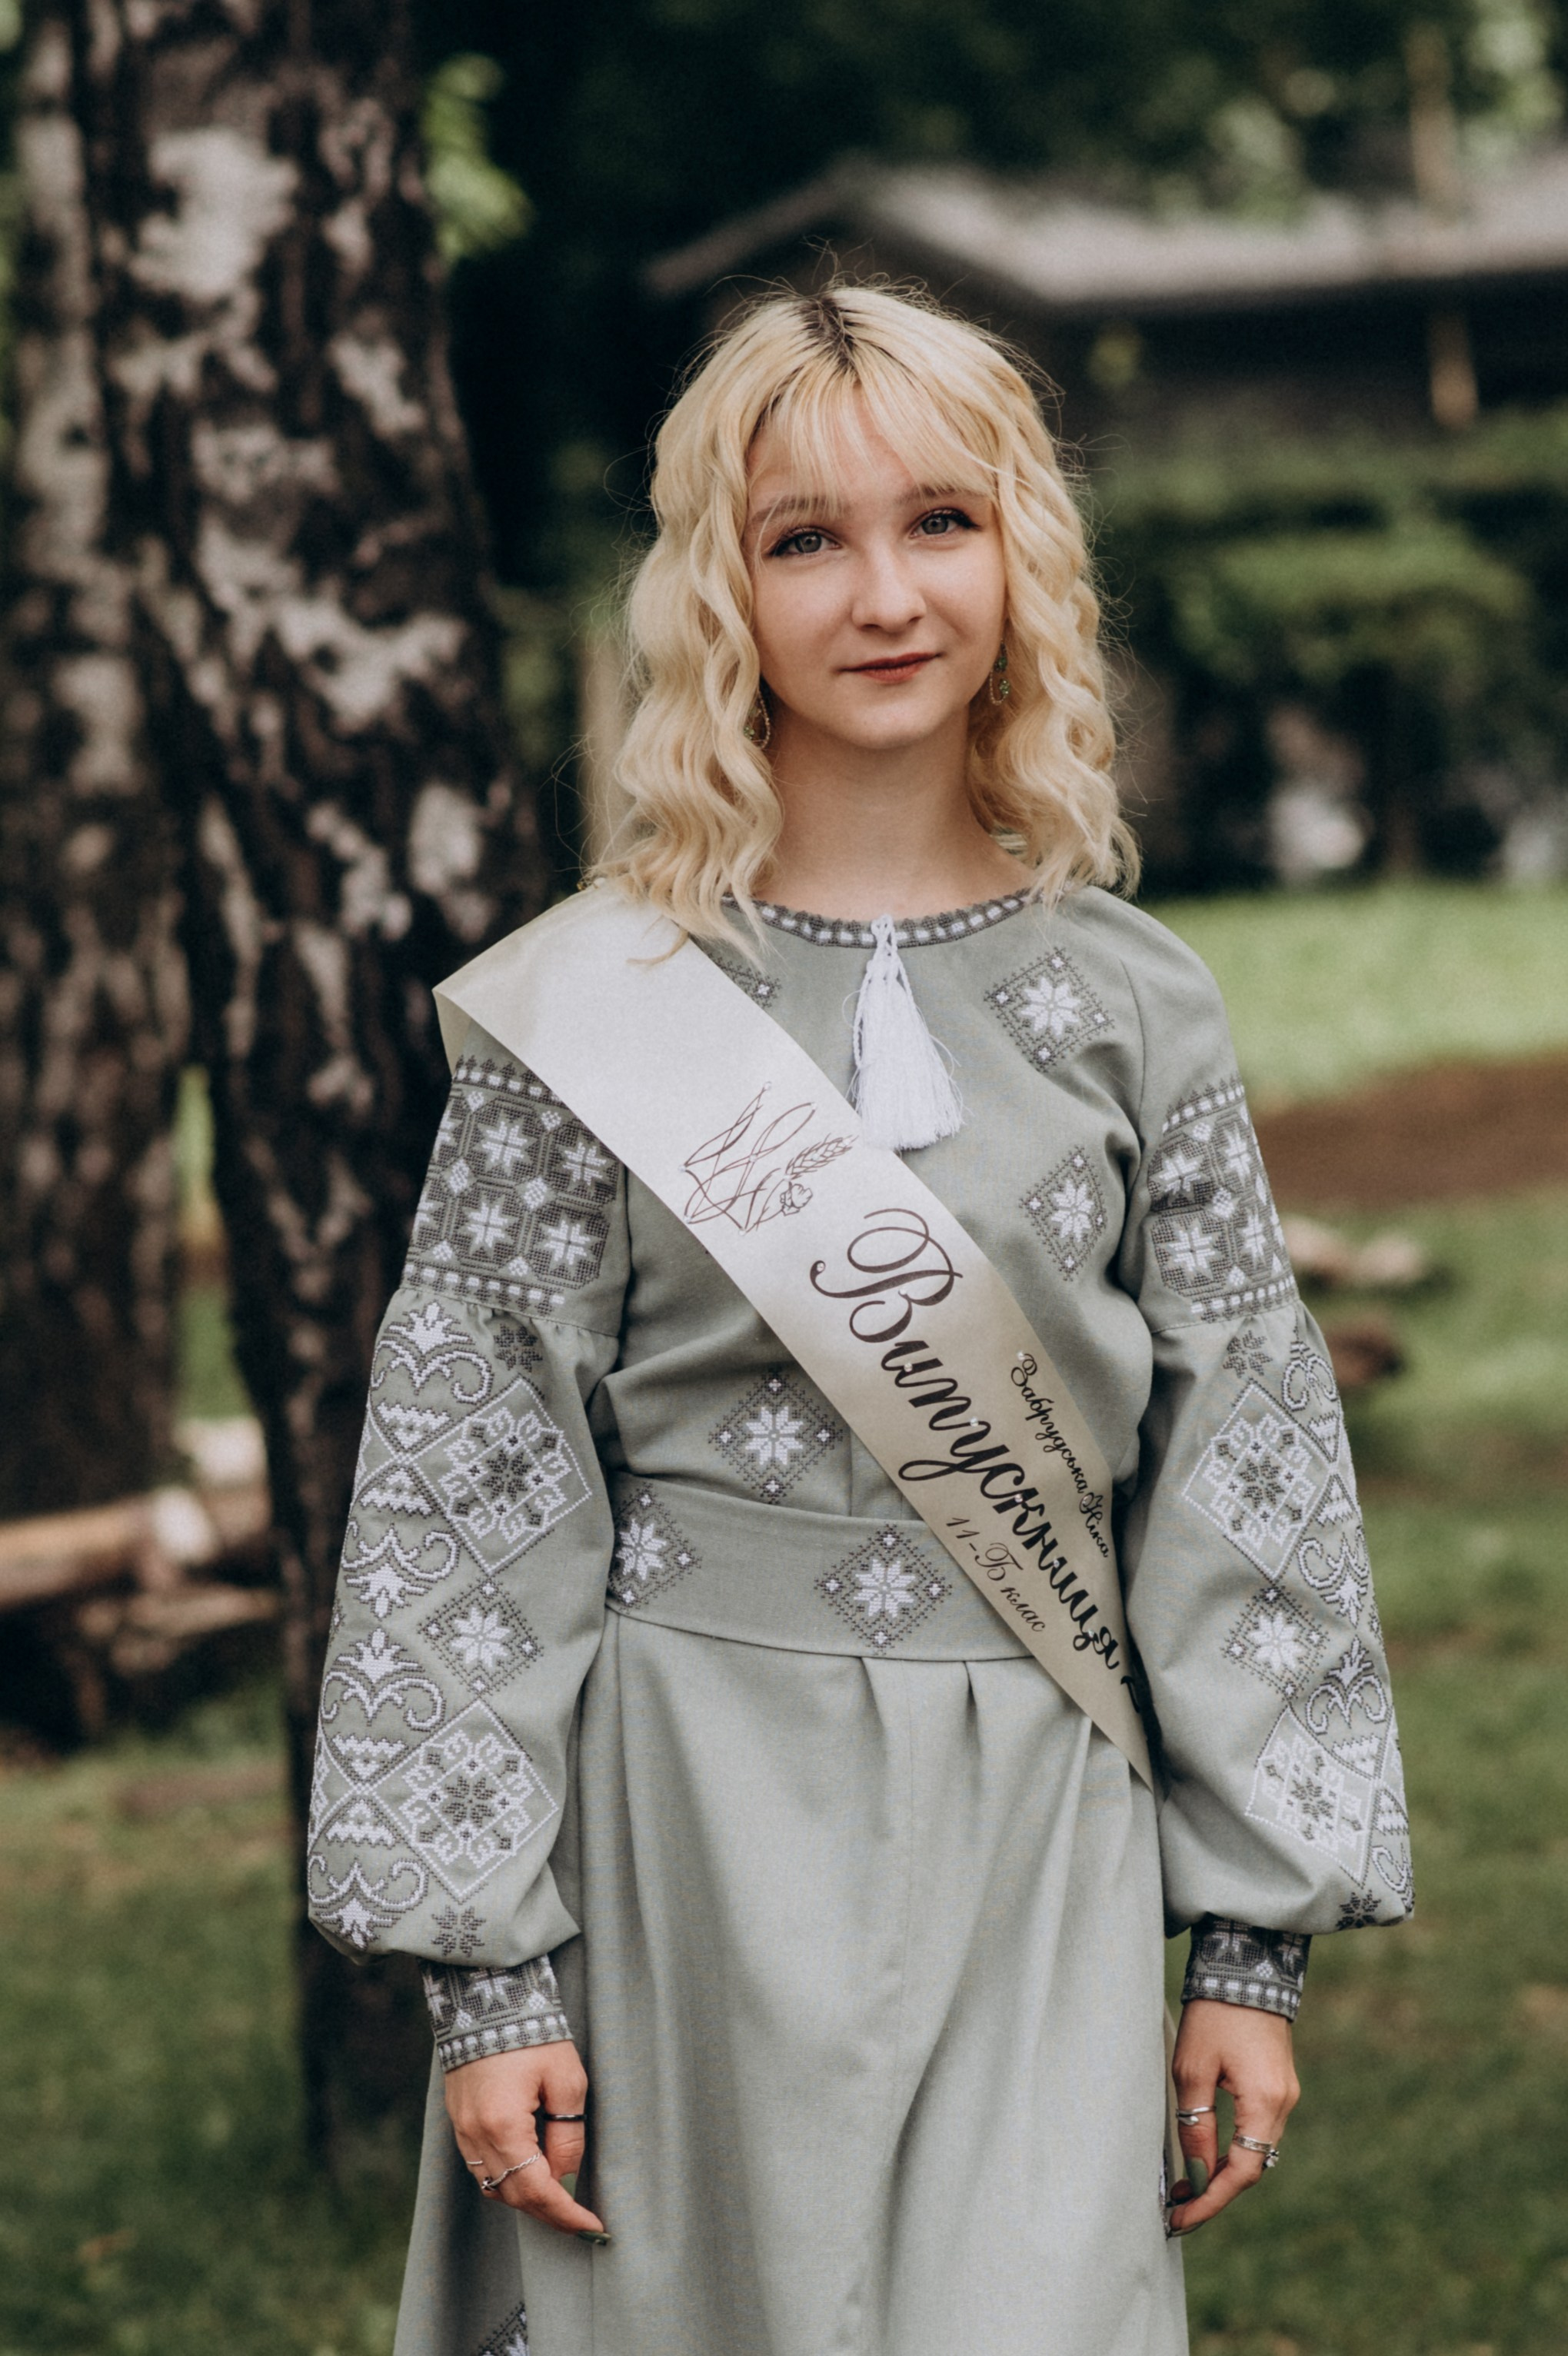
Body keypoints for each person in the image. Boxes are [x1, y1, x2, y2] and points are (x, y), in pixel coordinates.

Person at [306, 285, 1413, 2356]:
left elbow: (1245, 1474)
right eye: (805, 538)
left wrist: (1251, 1947)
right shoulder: (596, 1010)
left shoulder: (1140, 1003)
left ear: (1023, 555)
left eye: (940, 522)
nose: (885, 596)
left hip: (1041, 1809)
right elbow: (472, 1477)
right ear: (717, 591)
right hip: (687, 1815)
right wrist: (491, 1975)